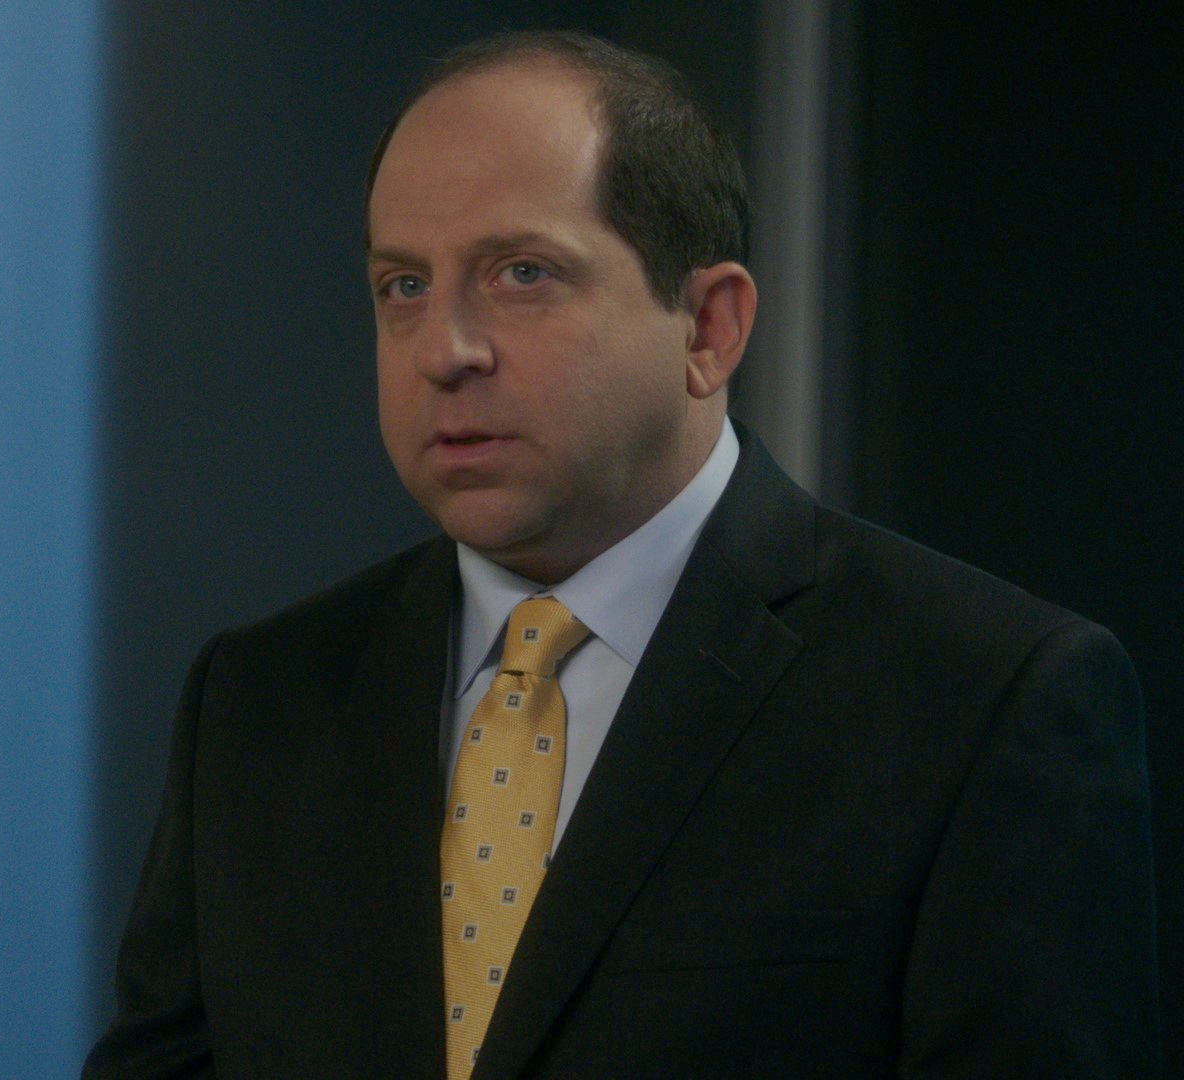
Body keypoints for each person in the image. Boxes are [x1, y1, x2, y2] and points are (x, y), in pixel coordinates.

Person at [82, 29, 1160, 1079]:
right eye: (403, 285)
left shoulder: (982, 702)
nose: (447, 350)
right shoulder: (262, 703)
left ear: (709, 328)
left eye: (521, 274)